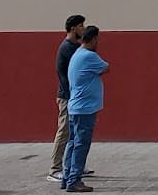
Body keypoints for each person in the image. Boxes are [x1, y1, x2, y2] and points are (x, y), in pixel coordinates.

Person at [62, 25, 108, 194]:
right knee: (81, 145)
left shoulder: (77, 54)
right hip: (84, 109)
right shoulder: (89, 56)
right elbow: (106, 68)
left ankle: (67, 177)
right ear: (94, 39)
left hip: (76, 107)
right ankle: (74, 180)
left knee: (73, 143)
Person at [48, 14, 86, 183]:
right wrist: (72, 96)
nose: (83, 29)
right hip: (67, 97)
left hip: (72, 96)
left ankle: (75, 165)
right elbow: (66, 75)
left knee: (75, 132)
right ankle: (55, 169)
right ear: (73, 28)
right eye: (81, 26)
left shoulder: (73, 46)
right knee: (64, 132)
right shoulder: (67, 48)